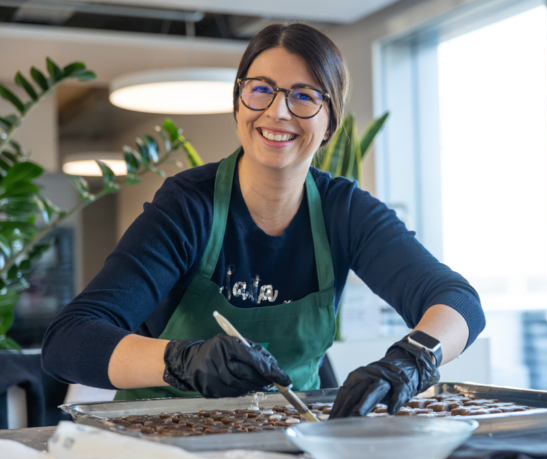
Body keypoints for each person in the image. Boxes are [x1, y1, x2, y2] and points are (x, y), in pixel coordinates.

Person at [41, 23, 486, 418]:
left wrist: (411, 359)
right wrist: (182, 361)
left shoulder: (344, 211)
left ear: (329, 122)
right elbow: (69, 340)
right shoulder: (187, 207)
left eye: (304, 96)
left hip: (291, 441)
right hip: (162, 442)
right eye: (261, 89)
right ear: (238, 103)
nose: (278, 111)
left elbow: (458, 301)